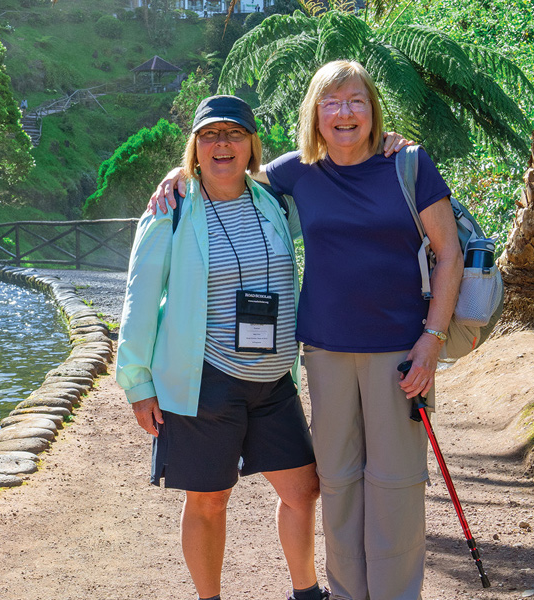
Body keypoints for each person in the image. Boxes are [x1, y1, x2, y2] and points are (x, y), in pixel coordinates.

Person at [148, 61, 463, 600]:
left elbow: (449, 254)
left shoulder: (408, 164)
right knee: (338, 482)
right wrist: (182, 173)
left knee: (396, 484)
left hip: (401, 353)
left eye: (356, 101)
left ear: (373, 109)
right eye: (332, 102)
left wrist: (431, 342)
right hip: (324, 352)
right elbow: (229, 170)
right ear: (314, 114)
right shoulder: (298, 171)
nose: (345, 113)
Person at [115, 95, 325, 600]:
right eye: (210, 134)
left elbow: (337, 168)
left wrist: (389, 146)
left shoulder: (275, 202)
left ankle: (308, 593)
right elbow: (140, 295)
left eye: (234, 133)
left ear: (253, 145)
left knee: (303, 490)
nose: (222, 143)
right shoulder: (174, 207)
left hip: (273, 380)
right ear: (195, 146)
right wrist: (138, 382)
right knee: (209, 499)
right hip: (206, 379)